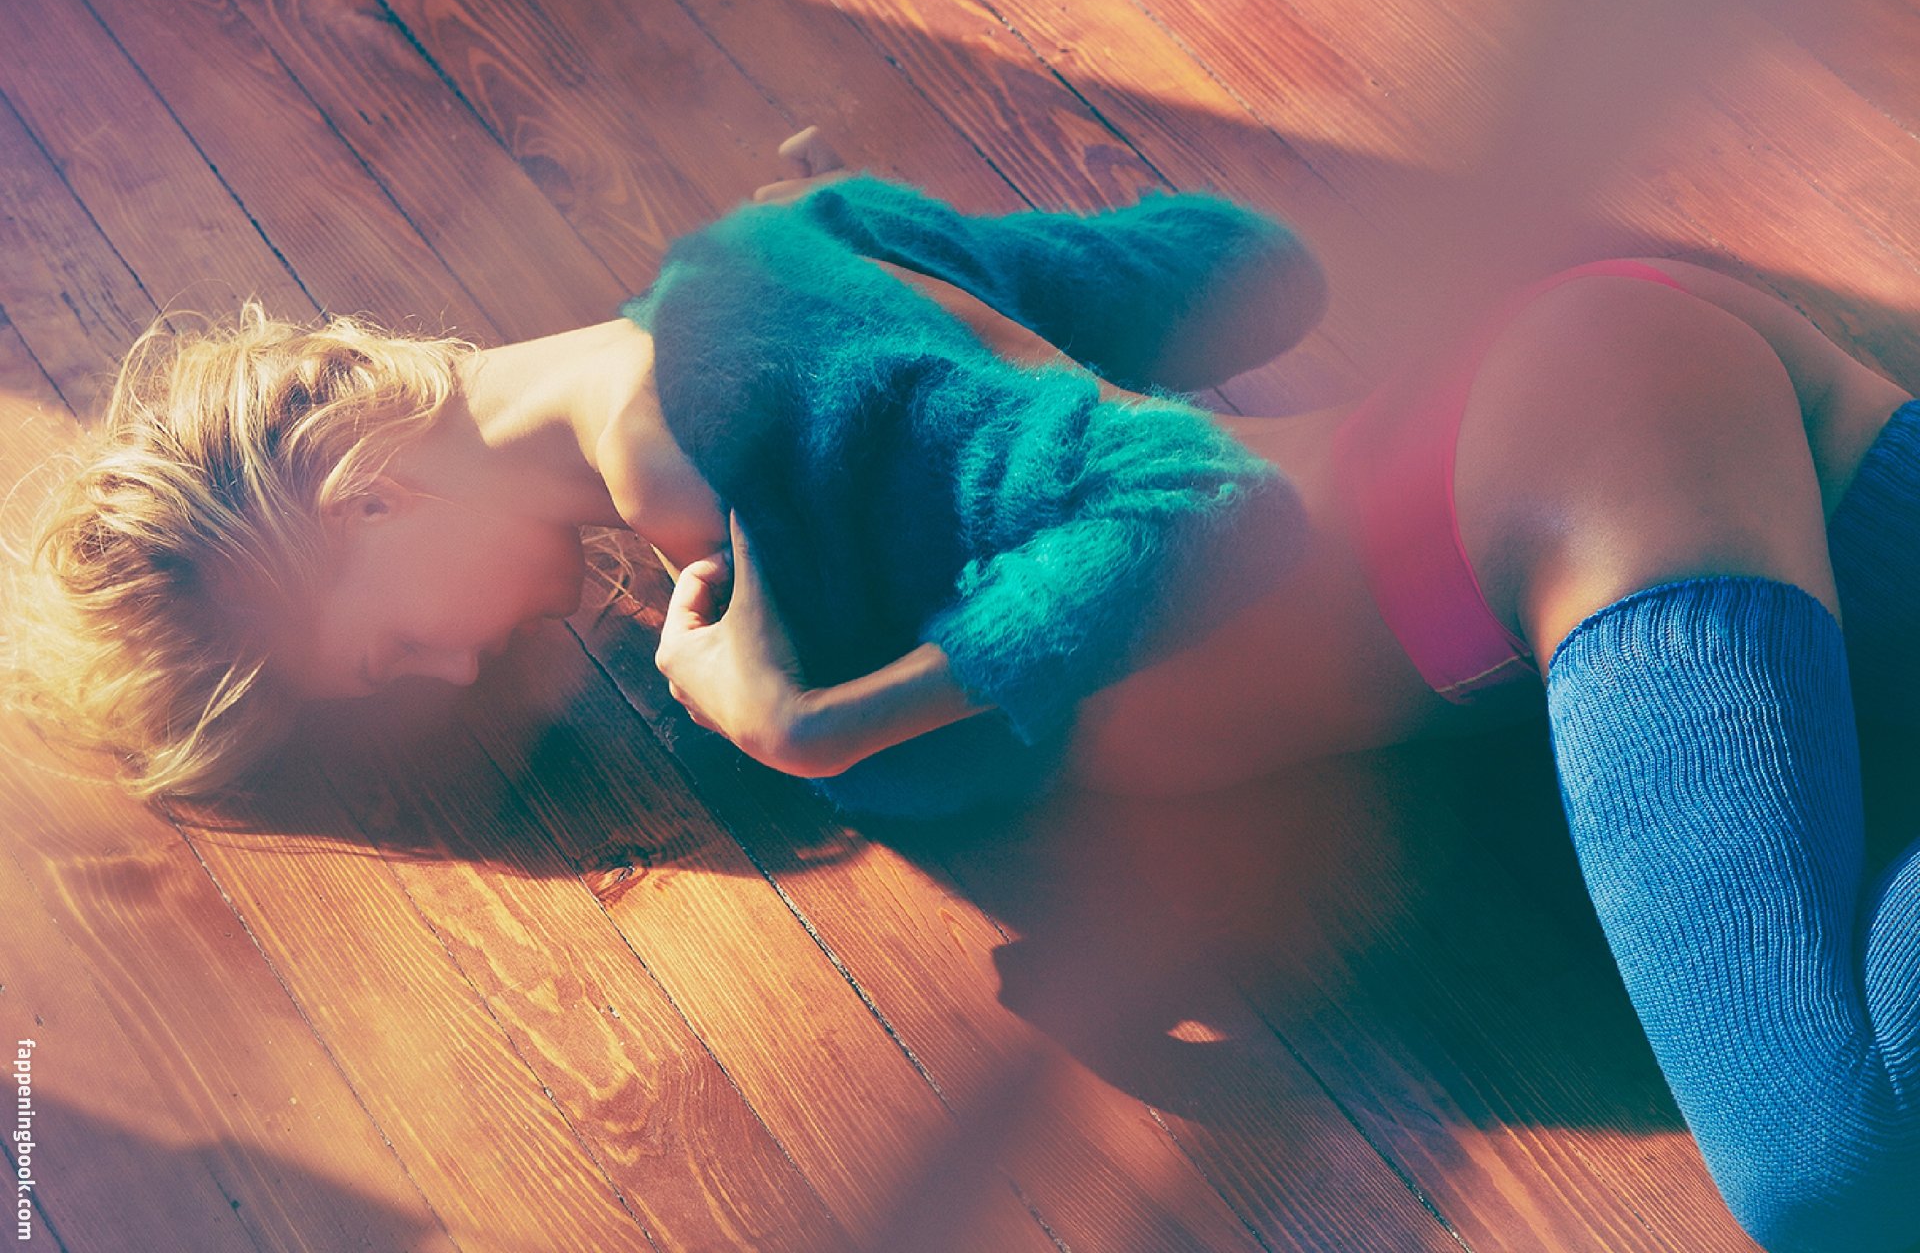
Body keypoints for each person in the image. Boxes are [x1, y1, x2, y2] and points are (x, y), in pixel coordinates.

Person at [5, 126, 1918, 1252]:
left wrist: (825, 722)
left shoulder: (724, 408)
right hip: (1629, 428)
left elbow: (1202, 507)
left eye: (375, 650)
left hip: (1561, 494)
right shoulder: (756, 277)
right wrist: (991, 337)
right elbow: (1236, 266)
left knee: (1827, 1183)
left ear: (365, 493)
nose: (444, 673)